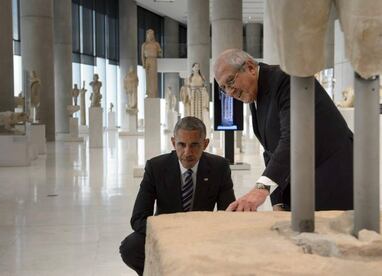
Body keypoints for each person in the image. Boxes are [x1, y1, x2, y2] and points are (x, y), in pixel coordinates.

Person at [213, 48, 353, 212]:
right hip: (303, 182)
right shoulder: (254, 93)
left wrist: (261, 188)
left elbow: (294, 137)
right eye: (224, 88)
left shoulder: (287, 79)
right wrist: (278, 202)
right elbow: (270, 150)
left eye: (230, 82)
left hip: (332, 176)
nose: (230, 92)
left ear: (250, 67)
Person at [119, 116, 236, 275]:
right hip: (166, 235)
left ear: (205, 144)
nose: (188, 152)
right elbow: (138, 218)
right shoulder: (156, 167)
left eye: (195, 145)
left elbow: (228, 215)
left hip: (203, 234)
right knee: (130, 247)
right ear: (174, 143)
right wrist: (172, 232)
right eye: (182, 145)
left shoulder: (219, 167)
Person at [141, 29, 162, 98]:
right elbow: (142, 55)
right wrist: (143, 63)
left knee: (154, 77)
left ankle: (154, 94)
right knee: (148, 78)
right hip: (147, 60)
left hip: (154, 60)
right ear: (147, 35)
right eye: (149, 34)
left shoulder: (156, 44)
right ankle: (149, 93)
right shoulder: (144, 45)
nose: (151, 36)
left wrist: (159, 53)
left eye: (152, 34)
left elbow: (160, 53)